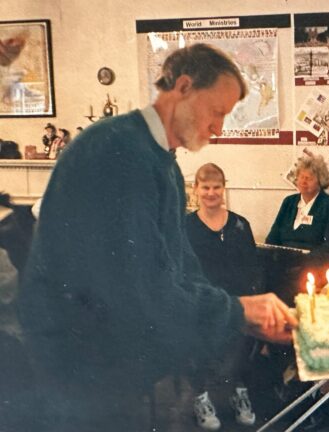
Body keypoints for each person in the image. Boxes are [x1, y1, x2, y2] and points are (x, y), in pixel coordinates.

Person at [18, 43, 296, 432]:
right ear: (183, 87)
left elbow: (180, 268)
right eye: (217, 112)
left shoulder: (159, 160)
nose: (218, 128)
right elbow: (138, 285)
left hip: (111, 356)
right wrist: (238, 310)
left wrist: (239, 315)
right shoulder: (118, 150)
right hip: (77, 358)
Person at [185, 163, 261, 430]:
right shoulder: (185, 227)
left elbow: (253, 268)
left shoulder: (241, 225)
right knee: (197, 348)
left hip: (236, 303)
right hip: (201, 305)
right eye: (205, 187)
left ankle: (240, 394)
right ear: (196, 189)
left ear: (223, 188)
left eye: (216, 187)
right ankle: (201, 398)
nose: (211, 193)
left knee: (243, 348)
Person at [265, 154, 329, 304]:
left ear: (320, 181)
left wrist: (301, 260)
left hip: (312, 267)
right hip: (284, 264)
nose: (303, 181)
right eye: (301, 176)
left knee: (286, 288)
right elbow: (272, 238)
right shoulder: (289, 202)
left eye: (309, 178)